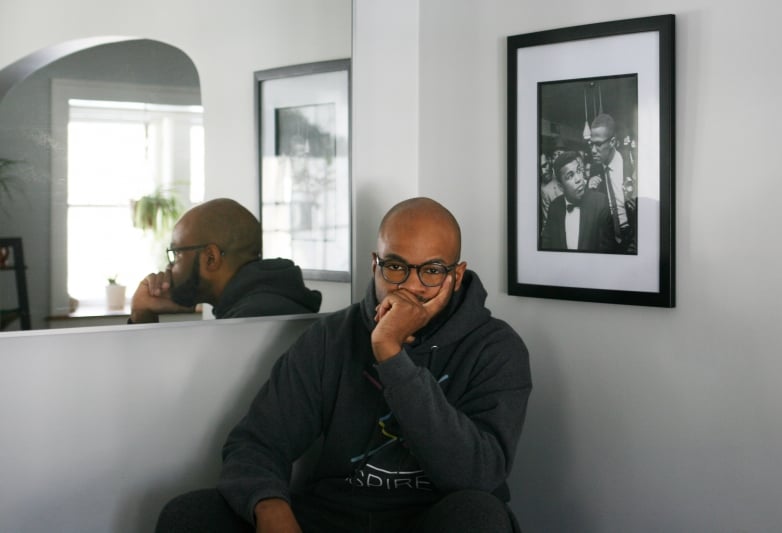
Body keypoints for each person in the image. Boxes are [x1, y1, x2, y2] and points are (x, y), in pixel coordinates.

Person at [155, 197, 532, 533]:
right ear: (375, 265)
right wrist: (269, 508)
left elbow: (477, 475)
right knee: (190, 515)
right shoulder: (331, 337)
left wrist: (390, 352)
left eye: (432, 271)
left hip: (432, 516)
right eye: (396, 267)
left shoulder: (495, 347)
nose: (411, 287)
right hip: (337, 512)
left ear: (457, 274)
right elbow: (256, 443)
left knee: (479, 515)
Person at [128, 198, 321, 323]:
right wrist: (142, 311)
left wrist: (140, 311)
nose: (169, 267)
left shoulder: (250, 322)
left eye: (176, 254)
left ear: (210, 258)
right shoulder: (263, 306)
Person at [541, 151, 615, 252]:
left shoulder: (600, 203)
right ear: (560, 187)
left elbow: (607, 251)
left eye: (579, 171)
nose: (579, 179)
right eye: (570, 176)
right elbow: (546, 246)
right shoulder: (555, 207)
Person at [586, 113, 637, 253]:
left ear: (612, 142)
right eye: (591, 144)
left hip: (632, 236)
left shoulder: (631, 167)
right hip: (607, 240)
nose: (593, 150)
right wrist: (588, 191)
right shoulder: (595, 169)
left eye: (598, 144)